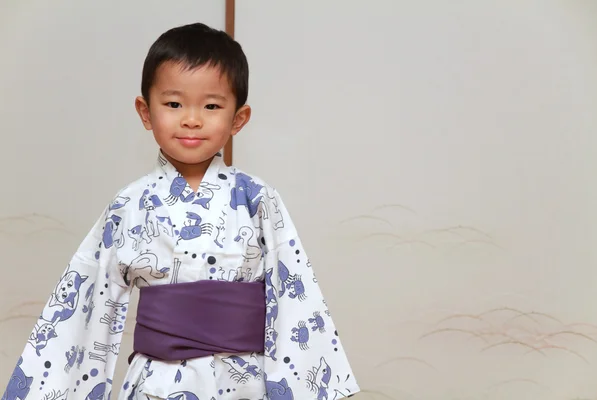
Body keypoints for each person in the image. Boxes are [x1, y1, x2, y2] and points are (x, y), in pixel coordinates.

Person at [1, 22, 360, 400]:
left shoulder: (258, 199)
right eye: (173, 104)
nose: (191, 118)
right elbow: (88, 301)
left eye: (211, 105)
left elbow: (295, 298)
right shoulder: (129, 204)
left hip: (244, 382)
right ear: (145, 111)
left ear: (238, 118)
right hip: (157, 381)